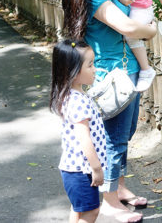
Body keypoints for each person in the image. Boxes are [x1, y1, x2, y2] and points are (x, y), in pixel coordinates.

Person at [62, 0, 157, 223]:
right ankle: (109, 202)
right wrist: (151, 29)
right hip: (110, 78)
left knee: (124, 136)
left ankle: (121, 189)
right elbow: (129, 27)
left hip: (127, 72)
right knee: (114, 140)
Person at [50, 39, 106, 223]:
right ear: (72, 72)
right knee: (91, 213)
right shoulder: (78, 101)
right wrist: (96, 168)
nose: (95, 69)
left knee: (78, 209)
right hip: (81, 170)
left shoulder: (73, 95)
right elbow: (85, 139)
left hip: (74, 169)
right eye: (90, 65)